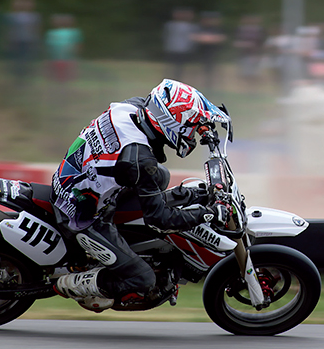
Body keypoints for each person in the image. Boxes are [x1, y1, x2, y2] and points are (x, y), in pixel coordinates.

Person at [51, 79, 232, 311]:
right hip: (80, 213)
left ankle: (128, 241)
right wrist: (207, 214)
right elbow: (159, 219)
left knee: (160, 176)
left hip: (80, 180)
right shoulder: (139, 158)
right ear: (172, 123)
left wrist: (208, 130)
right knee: (143, 280)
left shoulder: (135, 108)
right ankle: (66, 283)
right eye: (193, 127)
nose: (195, 133)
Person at [163, 8, 198, 81]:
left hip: (184, 49)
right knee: (173, 66)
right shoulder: (171, 25)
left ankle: (179, 78)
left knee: (181, 66)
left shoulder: (191, 26)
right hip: (173, 48)